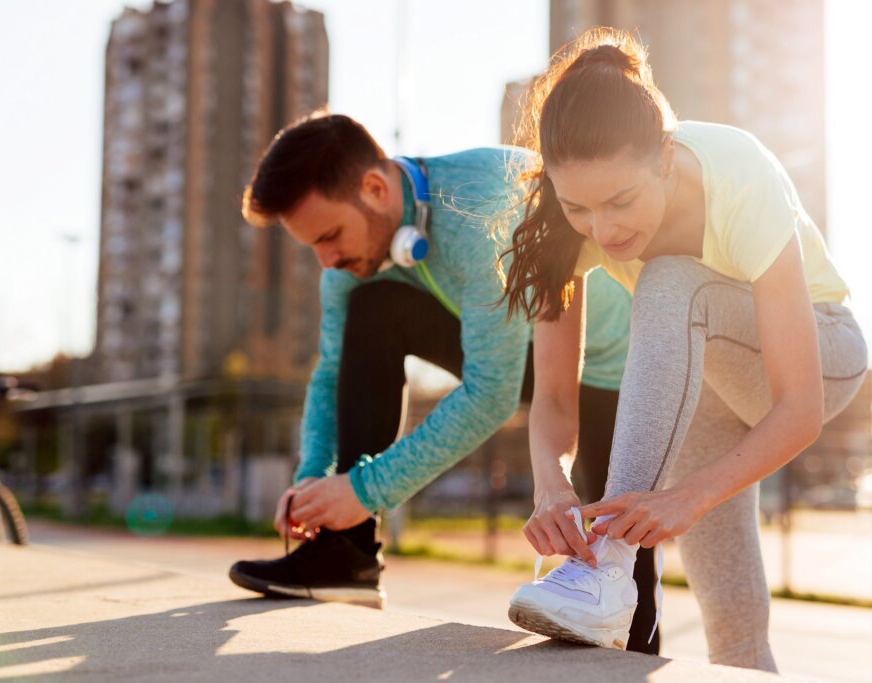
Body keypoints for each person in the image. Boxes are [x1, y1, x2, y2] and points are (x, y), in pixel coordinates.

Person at [228, 112, 664, 654]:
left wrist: (364, 490)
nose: (327, 260)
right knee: (372, 307)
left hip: (614, 374)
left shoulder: (479, 209)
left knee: (621, 585)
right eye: (313, 247)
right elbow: (331, 368)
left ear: (375, 188)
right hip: (525, 351)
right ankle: (344, 553)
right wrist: (314, 483)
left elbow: (490, 396)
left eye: (331, 236)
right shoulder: (347, 261)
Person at [500, 29, 868, 670]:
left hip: (824, 353)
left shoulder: (738, 175)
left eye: (621, 201)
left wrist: (688, 495)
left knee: (670, 278)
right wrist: (551, 487)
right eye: (577, 207)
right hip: (709, 389)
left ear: (665, 158)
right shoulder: (562, 225)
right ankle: (613, 574)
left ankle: (608, 571)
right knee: (734, 633)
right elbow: (555, 398)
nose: (604, 229)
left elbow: (799, 405)